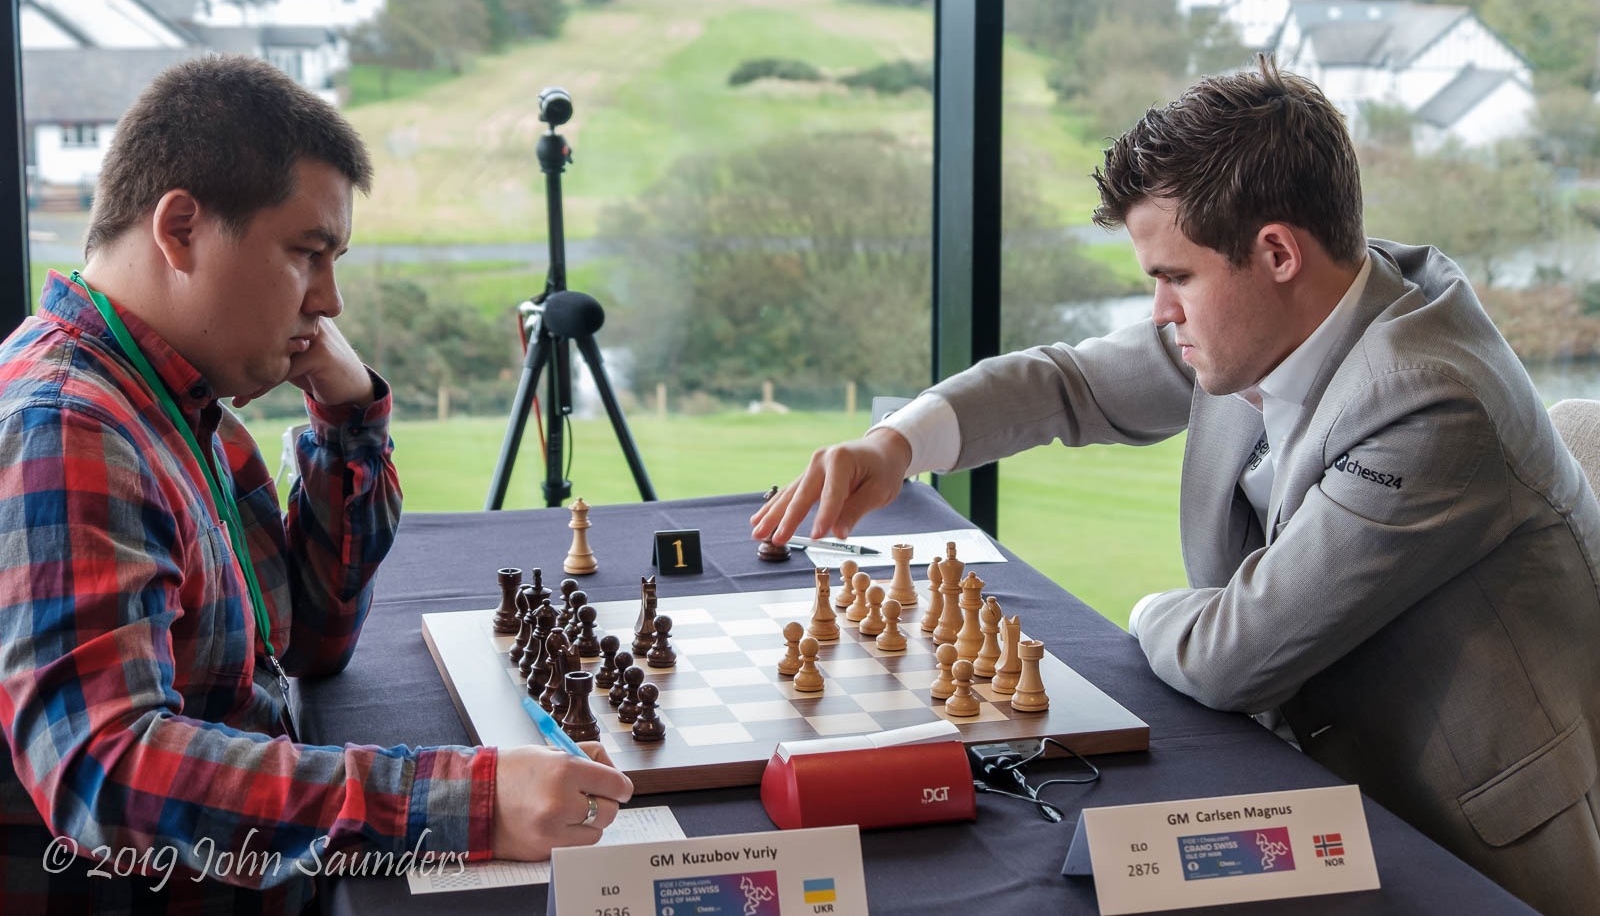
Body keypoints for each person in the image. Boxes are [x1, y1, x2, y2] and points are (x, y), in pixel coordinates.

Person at [752, 55, 1600, 914]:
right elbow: (1070, 382)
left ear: (1277, 251)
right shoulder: (1293, 309)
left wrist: (1146, 608)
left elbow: (1234, 654)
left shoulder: (1432, 404)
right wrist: (896, 444)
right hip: (1301, 784)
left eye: (1176, 277)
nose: (1160, 311)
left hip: (1462, 848)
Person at [0, 56, 632, 914]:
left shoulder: (188, 411)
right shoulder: (67, 427)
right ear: (180, 229)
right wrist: (467, 801)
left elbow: (310, 642)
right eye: (308, 254)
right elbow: (107, 775)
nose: (330, 301)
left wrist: (350, 415)